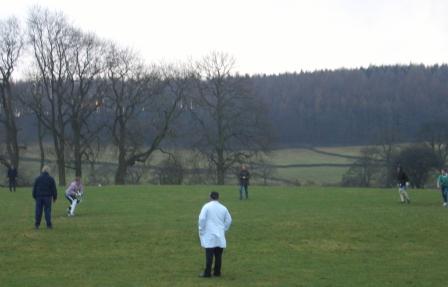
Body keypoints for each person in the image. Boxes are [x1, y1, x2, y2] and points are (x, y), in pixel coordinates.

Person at [198, 191, 232, 278]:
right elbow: (229, 220)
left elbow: (202, 218)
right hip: (220, 234)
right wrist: (224, 228)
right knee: (218, 255)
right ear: (218, 197)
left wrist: (201, 229)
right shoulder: (223, 208)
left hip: (209, 234)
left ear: (210, 197)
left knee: (209, 254)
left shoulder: (206, 206)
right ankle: (217, 272)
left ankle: (207, 273)